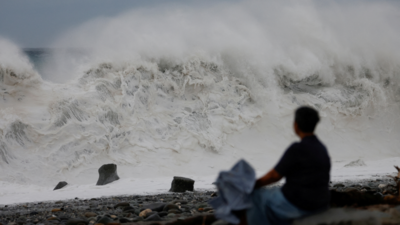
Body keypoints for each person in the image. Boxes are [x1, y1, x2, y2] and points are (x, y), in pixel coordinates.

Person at [240, 106, 331, 225]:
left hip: (300, 204)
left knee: (256, 196)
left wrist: (253, 185)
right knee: (273, 193)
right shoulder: (321, 148)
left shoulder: (297, 148)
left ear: (296, 125)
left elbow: (274, 176)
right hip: (321, 202)